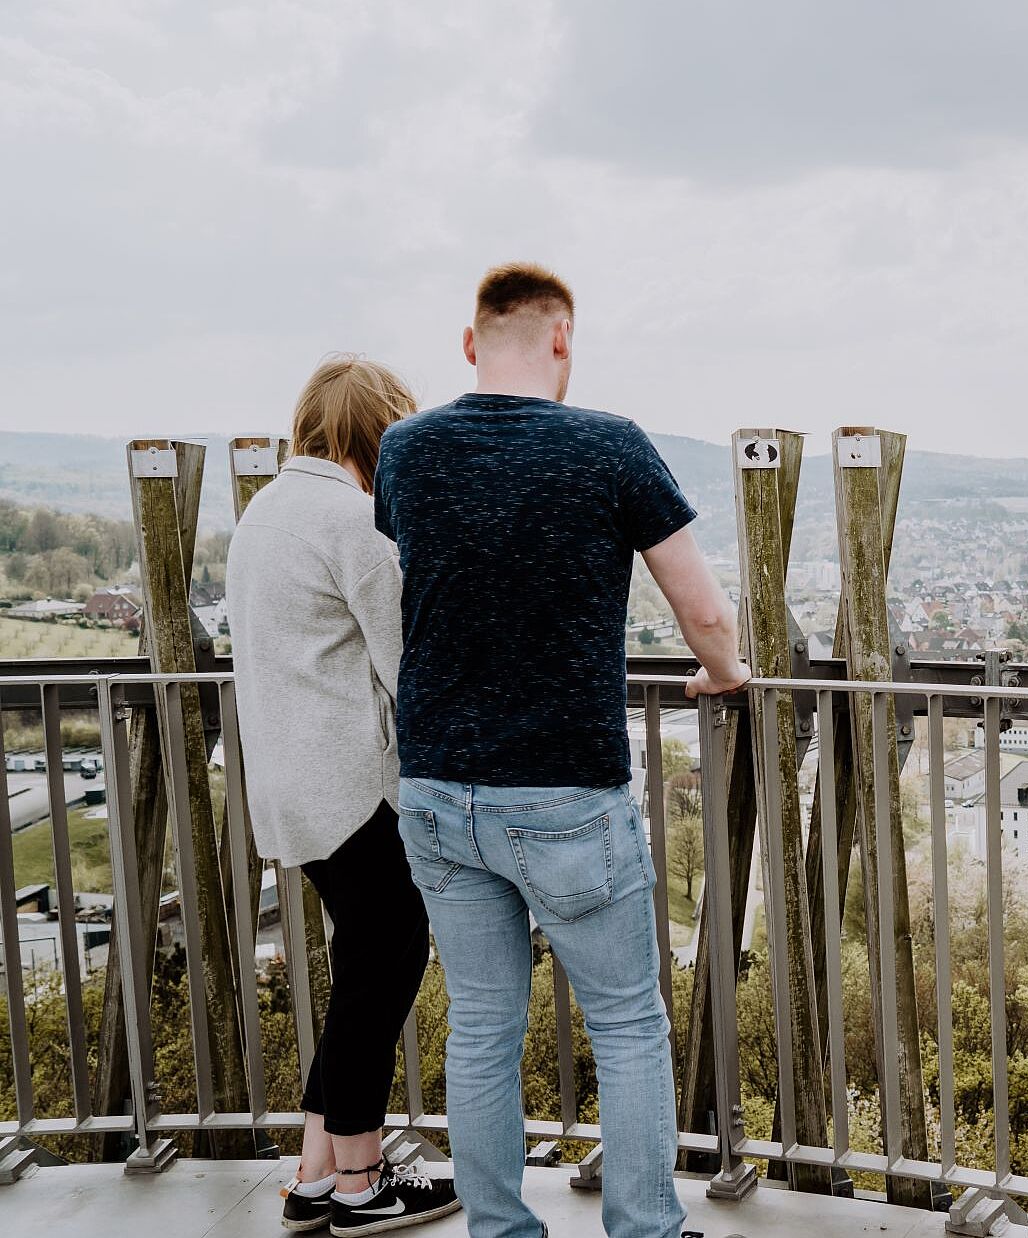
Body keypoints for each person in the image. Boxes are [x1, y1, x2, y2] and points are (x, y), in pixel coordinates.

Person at [376, 263, 752, 1238]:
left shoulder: (408, 450)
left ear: (470, 342)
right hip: (564, 788)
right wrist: (724, 673)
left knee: (482, 1026)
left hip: (434, 782)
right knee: (626, 1023)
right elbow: (703, 607)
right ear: (562, 339)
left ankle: (500, 1229)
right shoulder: (610, 446)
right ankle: (643, 1228)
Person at [227, 355, 464, 1236]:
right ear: (380, 434)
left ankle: (315, 1176)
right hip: (355, 790)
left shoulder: (266, 512)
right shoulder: (352, 521)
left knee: (361, 975)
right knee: (382, 978)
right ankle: (364, 1186)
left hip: (288, 787)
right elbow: (413, 669)